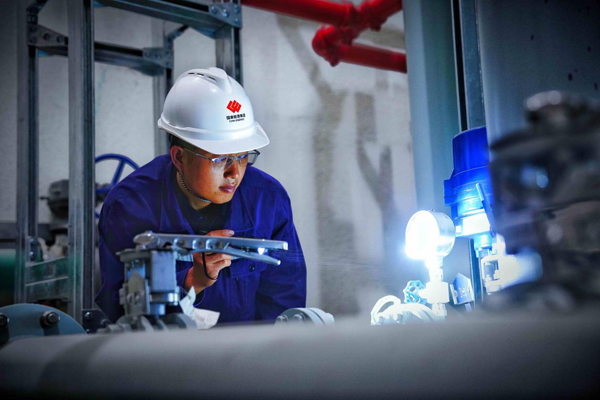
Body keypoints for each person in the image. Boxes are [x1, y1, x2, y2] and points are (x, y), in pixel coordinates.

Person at [96, 67, 307, 324]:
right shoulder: (129, 207)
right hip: (165, 348)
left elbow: (284, 302)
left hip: (250, 348)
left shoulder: (268, 202)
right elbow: (119, 313)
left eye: (243, 156)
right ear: (179, 157)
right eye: (219, 159)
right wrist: (191, 282)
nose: (234, 173)